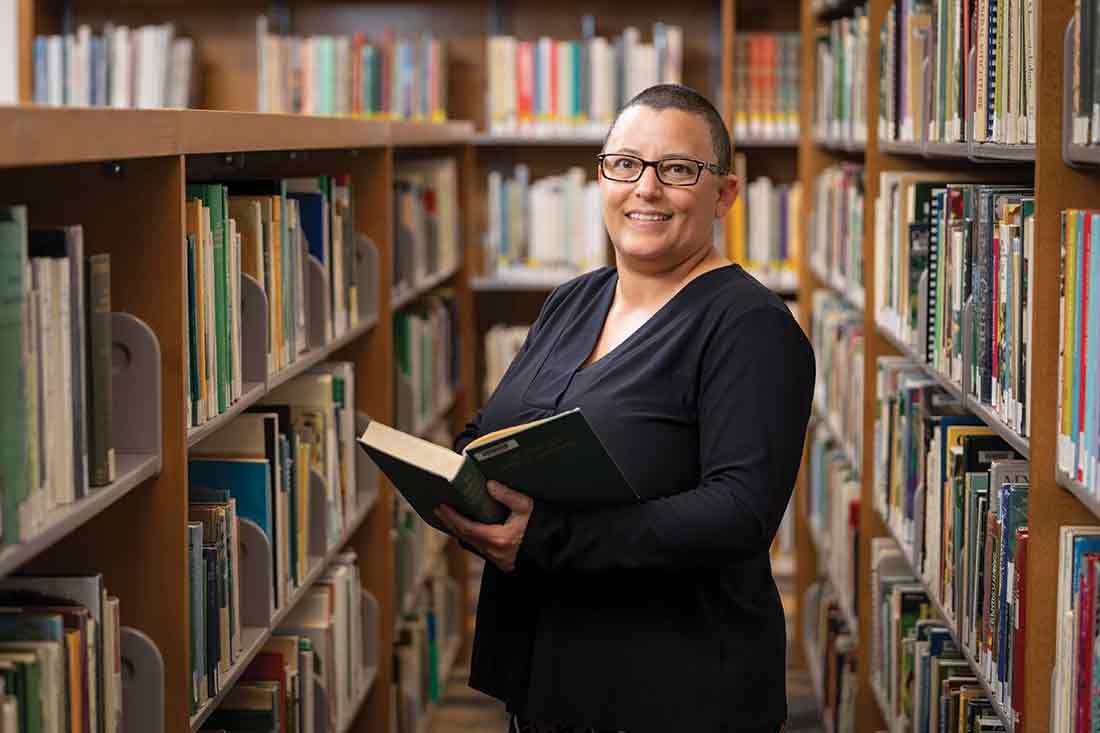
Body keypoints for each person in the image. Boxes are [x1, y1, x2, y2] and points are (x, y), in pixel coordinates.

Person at [436, 84, 815, 733]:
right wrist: (459, 487)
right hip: (551, 672)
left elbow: (740, 511)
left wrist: (547, 535)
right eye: (625, 164)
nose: (646, 188)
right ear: (602, 178)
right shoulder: (572, 300)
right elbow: (497, 429)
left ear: (724, 193)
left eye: (676, 169)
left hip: (676, 690)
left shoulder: (751, 326)